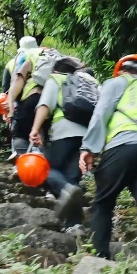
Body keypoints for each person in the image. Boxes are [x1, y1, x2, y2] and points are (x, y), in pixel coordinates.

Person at [79, 54, 137, 274]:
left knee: (103, 201)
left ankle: (100, 256)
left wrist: (89, 147)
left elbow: (102, 113)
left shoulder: (117, 83)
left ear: (120, 70)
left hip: (123, 143)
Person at [29, 60, 90, 233]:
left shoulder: (55, 79)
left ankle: (64, 188)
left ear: (55, 70)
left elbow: (45, 105)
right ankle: (74, 224)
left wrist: (34, 129)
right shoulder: (86, 84)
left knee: (46, 168)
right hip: (87, 137)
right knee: (72, 178)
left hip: (64, 130)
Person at [6, 40, 46, 161]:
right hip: (56, 102)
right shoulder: (49, 55)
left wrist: (10, 108)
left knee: (20, 134)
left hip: (32, 98)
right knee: (44, 135)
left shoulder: (25, 56)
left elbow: (17, 81)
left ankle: (23, 163)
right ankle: (44, 165)